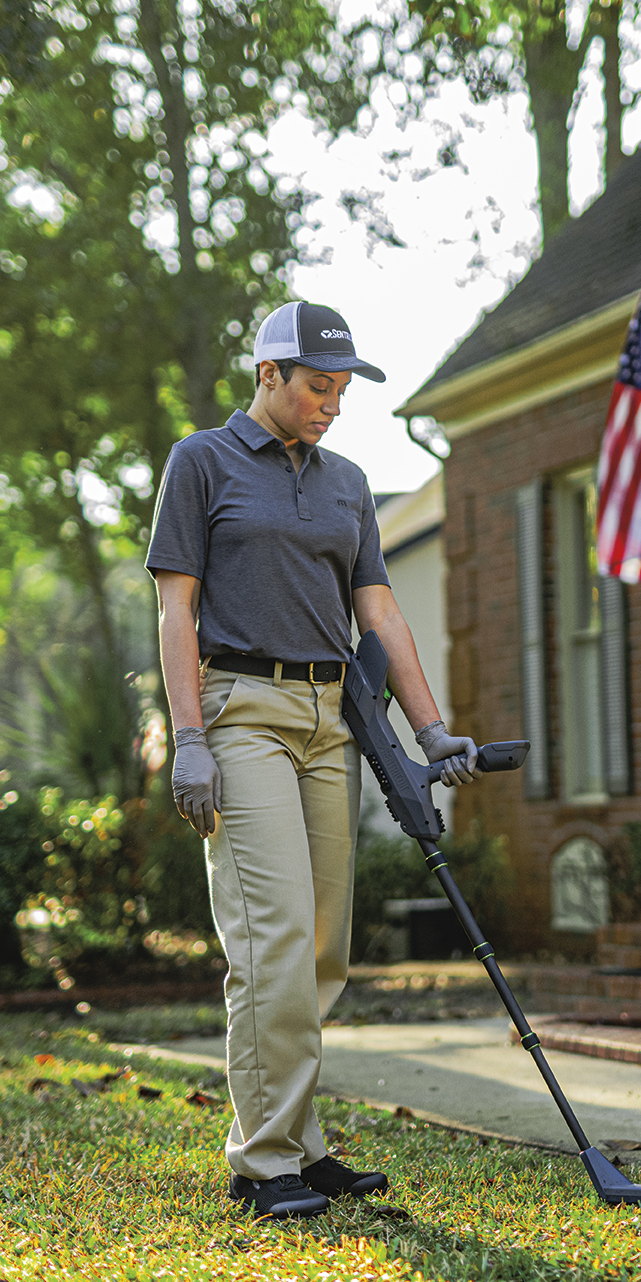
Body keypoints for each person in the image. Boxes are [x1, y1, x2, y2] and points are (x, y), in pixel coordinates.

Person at [145, 301, 478, 1221]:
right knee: (274, 936)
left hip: (331, 717)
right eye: (317, 386)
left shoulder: (348, 482)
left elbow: (379, 612)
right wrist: (189, 739)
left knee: (323, 942)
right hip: (240, 709)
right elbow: (177, 610)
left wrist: (430, 729)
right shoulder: (202, 462)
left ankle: (301, 1142)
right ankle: (261, 1164)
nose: (333, 403)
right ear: (268, 376)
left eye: (342, 389)